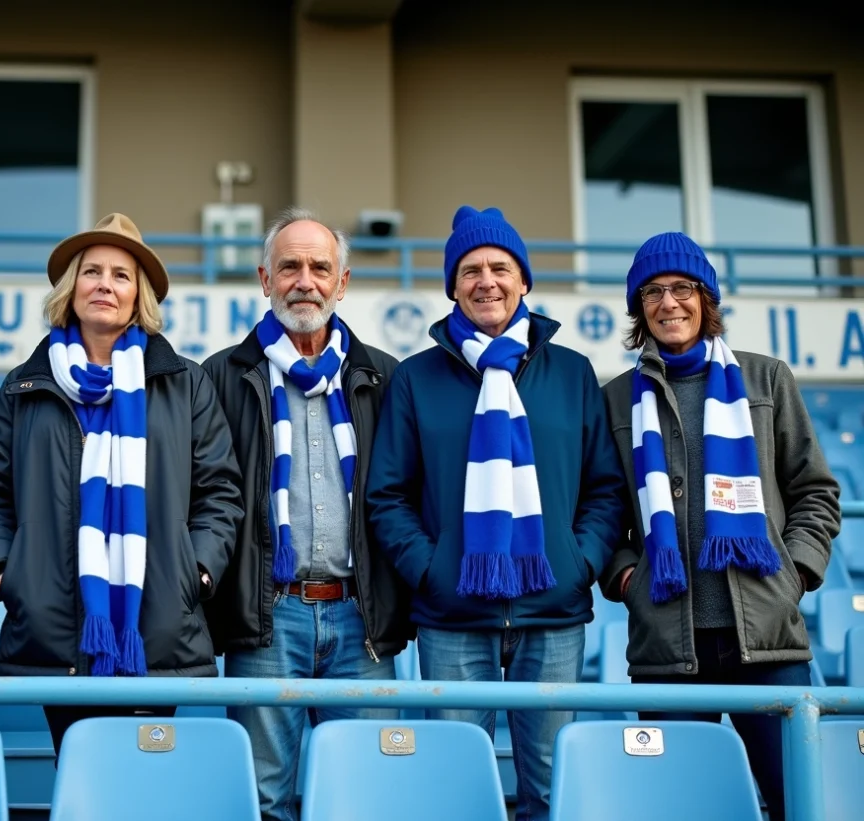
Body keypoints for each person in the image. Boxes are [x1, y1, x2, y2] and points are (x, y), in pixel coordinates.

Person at [366, 206, 625, 821]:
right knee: (455, 789)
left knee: (552, 789)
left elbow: (605, 488)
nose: (487, 281)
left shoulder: (573, 373)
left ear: (524, 280)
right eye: (471, 269)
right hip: (452, 617)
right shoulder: (416, 378)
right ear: (452, 285)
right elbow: (387, 495)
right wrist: (434, 570)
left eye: (501, 268)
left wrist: (578, 563)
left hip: (553, 613)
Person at [0, 213, 243, 757]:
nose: (105, 285)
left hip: (157, 626)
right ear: (72, 288)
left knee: (145, 786)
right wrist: (5, 571)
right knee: (78, 778)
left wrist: (197, 571)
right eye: (92, 271)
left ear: (138, 293)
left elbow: (219, 492)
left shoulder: (184, 383)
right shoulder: (25, 386)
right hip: (53, 631)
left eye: (121, 274)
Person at [599, 231, 840, 820]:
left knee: (798, 802)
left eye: (682, 287)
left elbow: (815, 493)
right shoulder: (614, 400)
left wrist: (793, 573)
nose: (668, 303)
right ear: (639, 309)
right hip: (667, 646)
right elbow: (601, 513)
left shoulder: (766, 380)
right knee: (685, 808)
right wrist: (627, 580)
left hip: (767, 643)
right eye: (652, 292)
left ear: (706, 299)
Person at [201, 207, 409, 821]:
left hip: (360, 618)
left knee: (366, 794)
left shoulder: (381, 377)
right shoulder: (220, 376)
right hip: (268, 615)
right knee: (263, 796)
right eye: (289, 266)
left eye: (321, 267)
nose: (305, 280)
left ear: (341, 283)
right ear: (265, 279)